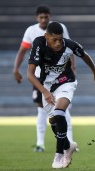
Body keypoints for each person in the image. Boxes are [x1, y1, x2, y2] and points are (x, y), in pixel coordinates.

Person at [27, 21, 95, 168]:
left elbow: (84, 55)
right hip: (47, 85)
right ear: (46, 36)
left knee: (60, 112)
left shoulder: (69, 45)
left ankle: (59, 154)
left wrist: (94, 71)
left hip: (66, 81)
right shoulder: (39, 43)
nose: (58, 43)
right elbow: (30, 74)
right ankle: (69, 146)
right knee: (53, 121)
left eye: (60, 39)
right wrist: (45, 92)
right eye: (54, 39)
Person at [13, 4, 76, 152]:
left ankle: (70, 141)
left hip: (60, 75)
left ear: (50, 16)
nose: (43, 19)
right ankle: (40, 143)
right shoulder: (31, 31)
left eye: (45, 17)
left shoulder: (60, 28)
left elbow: (70, 48)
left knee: (62, 109)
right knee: (42, 110)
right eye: (40, 17)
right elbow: (22, 50)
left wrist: (73, 67)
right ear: (37, 18)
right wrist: (16, 68)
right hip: (40, 77)